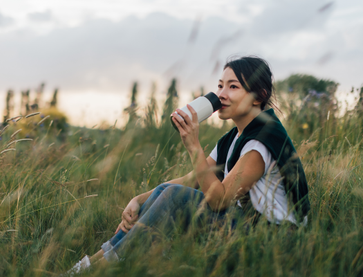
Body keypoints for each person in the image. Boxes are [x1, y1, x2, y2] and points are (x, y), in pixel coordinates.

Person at [66, 56, 311, 275]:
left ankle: (107, 266)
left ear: (260, 95)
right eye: (220, 85)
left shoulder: (261, 142)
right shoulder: (234, 137)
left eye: (233, 86)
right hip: (248, 225)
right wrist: (138, 199)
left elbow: (220, 200)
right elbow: (191, 180)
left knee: (174, 196)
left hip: (273, 240)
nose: (221, 94)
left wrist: (194, 145)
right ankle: (93, 263)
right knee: (167, 191)